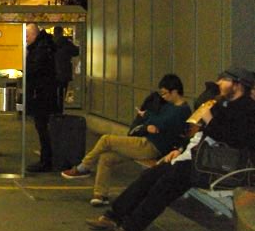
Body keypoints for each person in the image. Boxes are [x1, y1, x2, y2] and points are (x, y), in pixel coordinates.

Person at [86, 66, 255, 231]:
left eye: (224, 80)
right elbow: (202, 134)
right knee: (151, 175)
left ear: (237, 85)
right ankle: (114, 216)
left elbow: (236, 140)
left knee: (166, 184)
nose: (219, 82)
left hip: (223, 167)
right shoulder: (223, 104)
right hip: (205, 160)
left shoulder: (248, 109)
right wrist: (180, 149)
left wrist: (209, 120)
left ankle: (129, 230)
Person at [61, 74, 192, 206]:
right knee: (107, 157)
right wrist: (150, 123)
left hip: (153, 146)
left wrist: (147, 116)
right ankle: (100, 195)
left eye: (165, 93)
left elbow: (161, 122)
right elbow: (154, 123)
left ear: (174, 91)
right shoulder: (169, 106)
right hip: (147, 141)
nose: (163, 97)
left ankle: (83, 167)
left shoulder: (182, 111)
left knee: (106, 140)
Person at [25, 23, 57, 172]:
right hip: (44, 93)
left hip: (41, 94)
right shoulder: (44, 46)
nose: (25, 39)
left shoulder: (40, 49)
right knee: (42, 127)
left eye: (27, 35)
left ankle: (46, 161)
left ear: (34, 35)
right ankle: (46, 158)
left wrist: (22, 70)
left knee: (42, 127)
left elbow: (35, 69)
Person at [52, 26, 79, 112]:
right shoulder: (67, 42)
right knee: (63, 91)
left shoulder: (50, 42)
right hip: (64, 71)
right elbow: (76, 52)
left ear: (54, 33)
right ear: (62, 32)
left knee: (53, 91)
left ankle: (55, 108)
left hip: (53, 71)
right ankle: (61, 108)